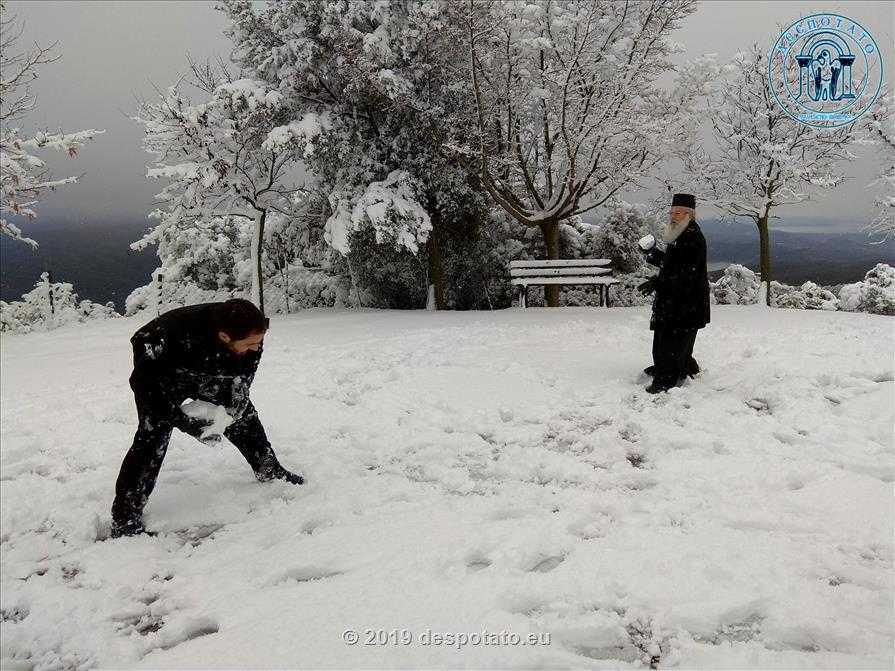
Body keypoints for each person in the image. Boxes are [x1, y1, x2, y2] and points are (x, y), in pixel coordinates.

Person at [111, 298, 303, 538]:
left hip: (210, 364)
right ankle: (125, 518)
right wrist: (185, 422)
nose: (257, 348)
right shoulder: (169, 338)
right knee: (152, 437)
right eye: (251, 344)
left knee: (243, 417)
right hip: (162, 375)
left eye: (259, 342)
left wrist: (234, 407)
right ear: (225, 337)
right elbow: (143, 386)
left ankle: (269, 469)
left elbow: (243, 377)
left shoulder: (252, 332)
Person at [638, 193, 711, 394]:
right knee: (674, 340)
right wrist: (652, 253)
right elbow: (674, 264)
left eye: (678, 213)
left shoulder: (691, 237)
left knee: (672, 340)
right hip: (679, 301)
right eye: (672, 212)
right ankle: (679, 367)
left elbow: (685, 274)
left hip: (685, 302)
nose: (673, 216)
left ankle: (666, 379)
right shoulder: (680, 233)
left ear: (690, 214)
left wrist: (659, 282)